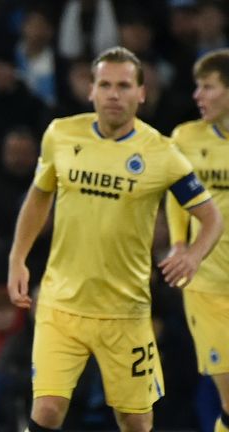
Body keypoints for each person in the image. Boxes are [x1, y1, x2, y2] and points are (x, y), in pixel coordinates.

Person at [7, 46, 223, 432]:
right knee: (48, 409)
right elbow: (39, 196)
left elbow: (210, 217)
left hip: (126, 311)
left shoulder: (163, 153)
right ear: (90, 90)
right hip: (62, 305)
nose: (113, 94)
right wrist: (17, 259)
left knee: (135, 420)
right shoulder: (61, 134)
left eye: (124, 85)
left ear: (141, 93)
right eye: (104, 84)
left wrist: (192, 255)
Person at [165, 48, 229, 432]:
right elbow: (177, 194)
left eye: (208, 87)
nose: (197, 96)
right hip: (206, 287)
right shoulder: (186, 137)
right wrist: (177, 243)